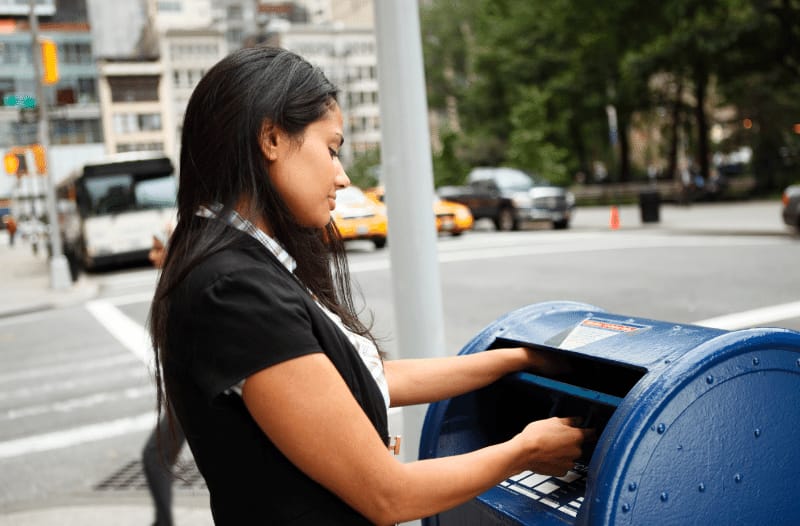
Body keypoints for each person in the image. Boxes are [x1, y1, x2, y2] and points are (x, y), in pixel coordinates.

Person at [149, 46, 590, 525]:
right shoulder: (232, 288)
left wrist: (518, 359)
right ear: (271, 137)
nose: (341, 176)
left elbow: (367, 378)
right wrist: (525, 451)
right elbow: (388, 494)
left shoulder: (235, 265)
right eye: (332, 149)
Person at [142, 226, 185, 526]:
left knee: (153, 457)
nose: (151, 255)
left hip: (188, 398)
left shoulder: (180, 285)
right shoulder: (175, 282)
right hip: (183, 397)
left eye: (158, 248)